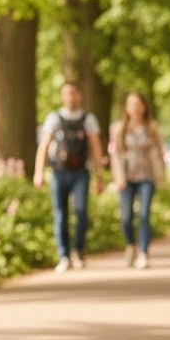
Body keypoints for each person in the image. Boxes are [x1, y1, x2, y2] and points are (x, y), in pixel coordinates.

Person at [33, 81, 105, 273]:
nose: (71, 97)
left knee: (81, 212)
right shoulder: (53, 118)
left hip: (81, 172)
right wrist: (38, 172)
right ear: (62, 96)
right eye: (67, 94)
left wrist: (100, 176)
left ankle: (78, 251)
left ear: (79, 95)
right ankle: (63, 255)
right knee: (60, 215)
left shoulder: (88, 119)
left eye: (74, 93)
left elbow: (96, 148)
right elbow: (44, 145)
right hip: (58, 172)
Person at [108, 92, 167, 269]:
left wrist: (160, 176)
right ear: (126, 108)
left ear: (144, 107)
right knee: (126, 217)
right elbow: (115, 155)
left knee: (144, 214)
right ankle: (130, 245)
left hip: (147, 177)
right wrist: (118, 178)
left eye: (137, 104)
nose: (134, 108)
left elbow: (160, 153)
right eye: (130, 104)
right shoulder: (119, 129)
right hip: (126, 178)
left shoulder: (152, 128)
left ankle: (144, 252)